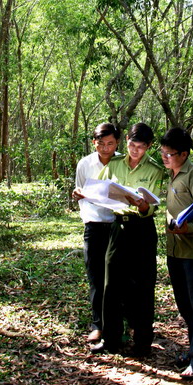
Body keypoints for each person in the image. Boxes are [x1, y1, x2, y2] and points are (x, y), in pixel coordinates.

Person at [91, 122, 163, 357]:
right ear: (127, 142)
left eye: (141, 147)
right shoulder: (115, 163)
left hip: (142, 230)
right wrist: (86, 193)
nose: (135, 150)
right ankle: (111, 340)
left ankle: (142, 343)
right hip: (118, 228)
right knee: (111, 284)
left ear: (149, 147)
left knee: (143, 286)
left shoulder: (154, 170)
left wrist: (143, 206)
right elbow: (100, 188)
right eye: (132, 145)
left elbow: (152, 206)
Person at [160, 127, 193, 380]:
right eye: (162, 152)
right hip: (175, 249)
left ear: (183, 153)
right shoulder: (174, 174)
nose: (164, 157)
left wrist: (188, 226)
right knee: (184, 304)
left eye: (169, 154)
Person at [73, 122, 120, 343]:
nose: (105, 148)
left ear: (117, 143)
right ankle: (98, 325)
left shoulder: (122, 162)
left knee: (118, 278)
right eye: (101, 143)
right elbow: (80, 188)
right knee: (95, 276)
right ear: (94, 143)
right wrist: (78, 195)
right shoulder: (85, 164)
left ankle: (119, 324)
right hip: (93, 224)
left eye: (110, 144)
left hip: (116, 224)